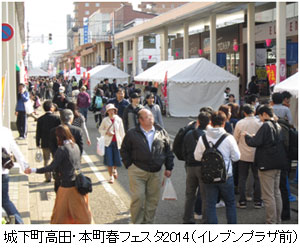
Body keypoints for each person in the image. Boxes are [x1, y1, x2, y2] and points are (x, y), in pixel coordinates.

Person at [25, 125, 92, 224]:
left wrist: (33, 170)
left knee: (60, 215)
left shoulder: (62, 150)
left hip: (66, 186)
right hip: (78, 183)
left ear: (59, 137)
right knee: (82, 214)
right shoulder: (75, 146)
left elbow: (51, 167)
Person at [120, 109, 174, 224]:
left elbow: (168, 151)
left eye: (151, 116)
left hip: (156, 172)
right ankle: (137, 223)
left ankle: (148, 223)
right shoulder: (132, 133)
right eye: (147, 117)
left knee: (153, 200)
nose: (151, 118)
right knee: (138, 198)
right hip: (137, 170)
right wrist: (129, 165)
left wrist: (169, 167)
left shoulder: (161, 132)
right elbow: (124, 150)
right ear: (140, 120)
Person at [194, 111, 240, 224]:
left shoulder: (203, 138)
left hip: (208, 176)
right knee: (230, 203)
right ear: (224, 123)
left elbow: (197, 157)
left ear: (211, 122)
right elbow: (236, 157)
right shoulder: (229, 138)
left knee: (210, 204)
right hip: (226, 175)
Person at [244, 105, 288, 224]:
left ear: (264, 114)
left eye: (260, 115)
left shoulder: (266, 126)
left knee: (268, 196)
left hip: (267, 165)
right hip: (278, 163)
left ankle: (271, 222)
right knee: (276, 193)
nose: (260, 118)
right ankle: (277, 220)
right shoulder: (278, 125)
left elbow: (255, 142)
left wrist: (247, 137)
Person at [182, 112, 211, 224]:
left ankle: (187, 218)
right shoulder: (207, 136)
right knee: (204, 195)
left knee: (190, 194)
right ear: (209, 123)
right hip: (203, 167)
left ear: (198, 121)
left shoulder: (188, 134)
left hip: (190, 166)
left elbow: (183, 150)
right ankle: (205, 220)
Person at [233, 104, 262, 209]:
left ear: (244, 112)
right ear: (254, 112)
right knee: (257, 178)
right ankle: (258, 201)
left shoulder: (240, 123)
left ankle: (242, 201)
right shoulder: (260, 123)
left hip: (243, 154)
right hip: (257, 154)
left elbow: (235, 139)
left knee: (242, 177)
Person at [49, 109, 84, 192]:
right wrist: (78, 158)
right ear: (71, 118)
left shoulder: (54, 130)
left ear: (61, 119)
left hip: (59, 162)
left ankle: (60, 200)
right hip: (74, 162)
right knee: (74, 183)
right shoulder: (78, 130)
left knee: (59, 182)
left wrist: (56, 156)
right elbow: (80, 147)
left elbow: (52, 147)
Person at [1, 126, 29, 224]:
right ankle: (19, 223)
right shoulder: (5, 131)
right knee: (5, 200)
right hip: (3, 172)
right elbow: (15, 149)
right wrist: (24, 166)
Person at [99, 104, 125, 184]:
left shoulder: (119, 119)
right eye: (109, 110)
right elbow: (100, 129)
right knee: (109, 160)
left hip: (117, 142)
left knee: (116, 159)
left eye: (112, 110)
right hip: (108, 143)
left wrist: (124, 142)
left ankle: (114, 169)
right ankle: (111, 176)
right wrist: (106, 132)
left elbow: (122, 131)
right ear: (107, 112)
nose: (111, 111)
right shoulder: (105, 120)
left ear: (115, 110)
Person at [36, 100, 61, 182]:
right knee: (56, 159)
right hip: (55, 142)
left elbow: (38, 132)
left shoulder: (40, 119)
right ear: (51, 108)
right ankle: (57, 175)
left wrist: (37, 142)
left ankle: (47, 177)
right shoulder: (57, 118)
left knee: (46, 160)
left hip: (45, 142)